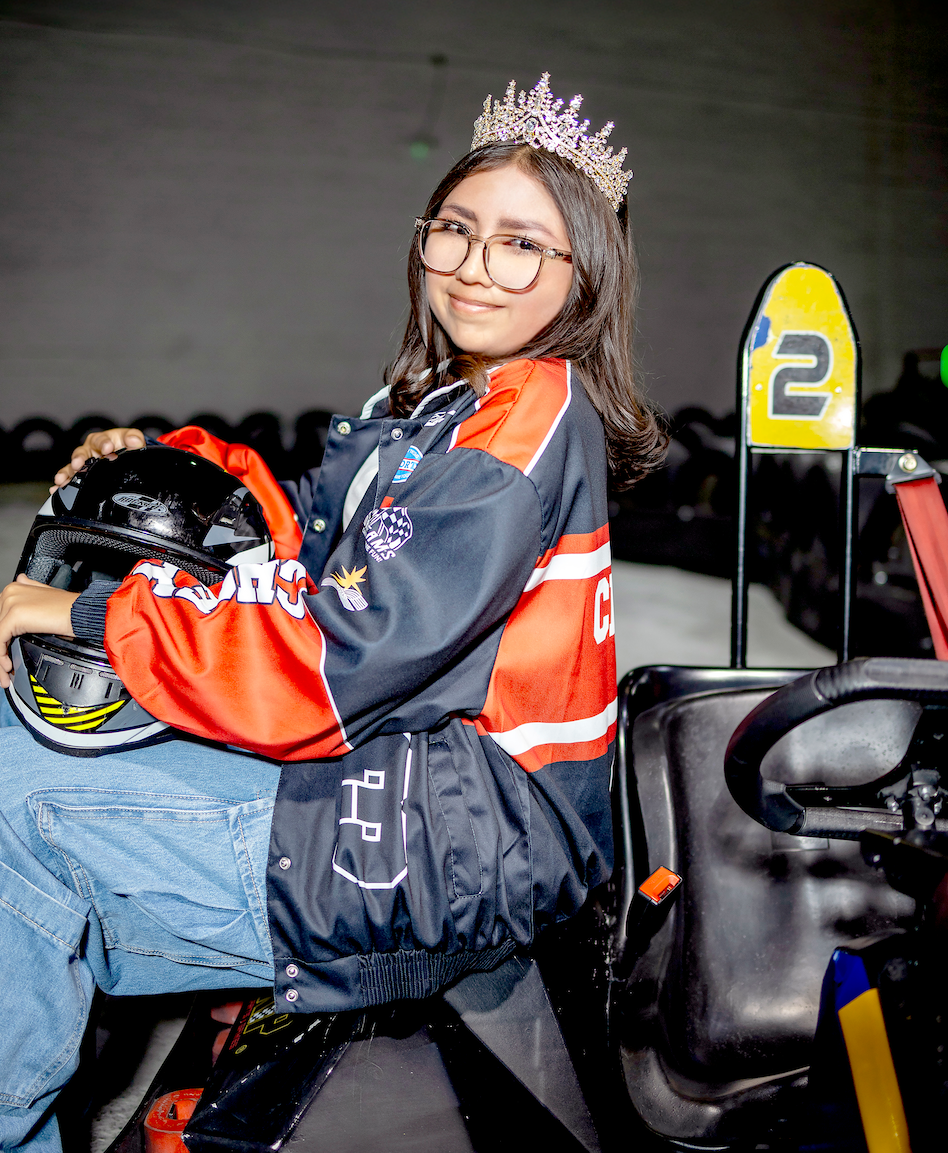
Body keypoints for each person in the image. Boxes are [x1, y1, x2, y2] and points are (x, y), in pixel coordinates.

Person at [0, 74, 668, 1149]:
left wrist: (82, 617)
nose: (474, 265)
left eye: (520, 245)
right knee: (22, 747)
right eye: (455, 228)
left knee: (12, 803)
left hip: (461, 835)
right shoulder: (449, 403)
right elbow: (307, 534)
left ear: (582, 273)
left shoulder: (523, 423)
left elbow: (334, 659)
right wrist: (169, 464)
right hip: (421, 775)